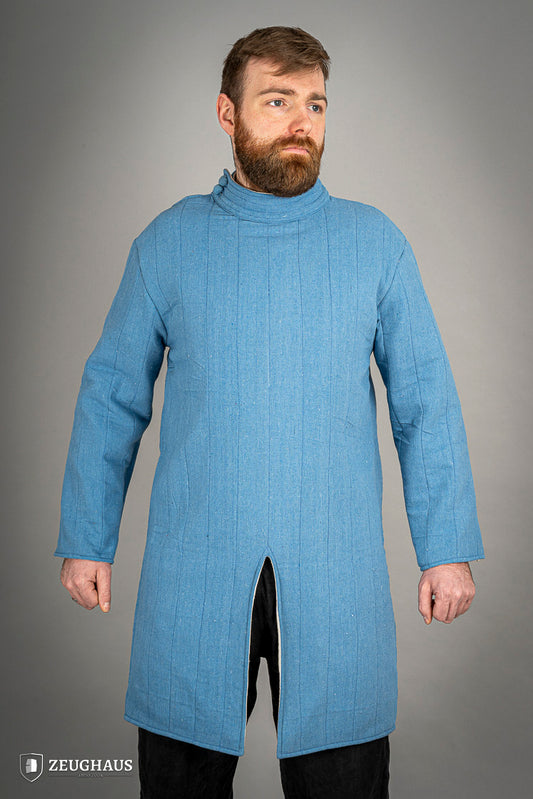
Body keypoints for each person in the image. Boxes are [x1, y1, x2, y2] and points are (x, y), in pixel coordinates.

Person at [54, 26, 484, 799]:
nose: (300, 121)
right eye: (277, 101)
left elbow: (424, 398)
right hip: (193, 567)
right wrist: (88, 536)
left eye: (314, 105)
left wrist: (445, 547)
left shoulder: (374, 244)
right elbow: (112, 393)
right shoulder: (168, 243)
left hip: (335, 572)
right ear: (227, 113)